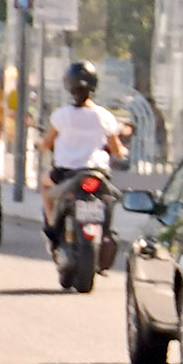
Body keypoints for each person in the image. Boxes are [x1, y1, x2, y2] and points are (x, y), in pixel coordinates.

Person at [38, 61, 127, 240]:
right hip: (97, 174)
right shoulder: (104, 116)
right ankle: (106, 232)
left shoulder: (61, 115)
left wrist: (39, 143)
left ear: (69, 85)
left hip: (65, 174)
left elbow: (46, 144)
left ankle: (52, 224)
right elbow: (117, 149)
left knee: (44, 184)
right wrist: (122, 151)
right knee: (110, 199)